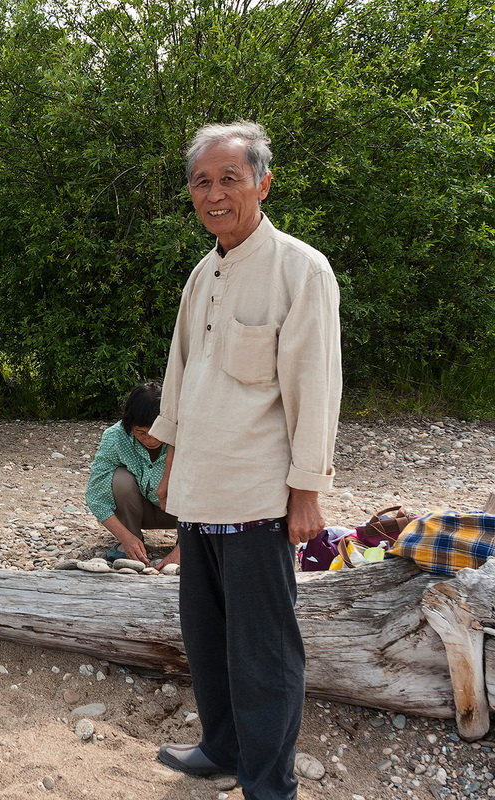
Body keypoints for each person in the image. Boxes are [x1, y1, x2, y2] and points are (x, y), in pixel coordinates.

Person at [151, 121, 341, 800]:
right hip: (201, 489)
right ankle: (222, 747)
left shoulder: (300, 269)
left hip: (261, 495)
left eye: (230, 178)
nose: (215, 193)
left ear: (263, 182)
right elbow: (179, 378)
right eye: (202, 181)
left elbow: (316, 387)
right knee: (207, 640)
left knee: (262, 652)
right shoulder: (203, 274)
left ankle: (269, 783)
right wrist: (170, 466)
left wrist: (307, 490)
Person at [85, 383, 178, 566]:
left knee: (188, 478)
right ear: (129, 426)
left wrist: (184, 550)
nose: (150, 439)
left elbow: (208, 493)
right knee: (120, 479)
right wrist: (126, 538)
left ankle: (188, 544)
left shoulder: (184, 434)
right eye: (140, 433)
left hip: (181, 513)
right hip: (140, 512)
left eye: (155, 432)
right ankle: (134, 544)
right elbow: (96, 497)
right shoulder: (115, 437)